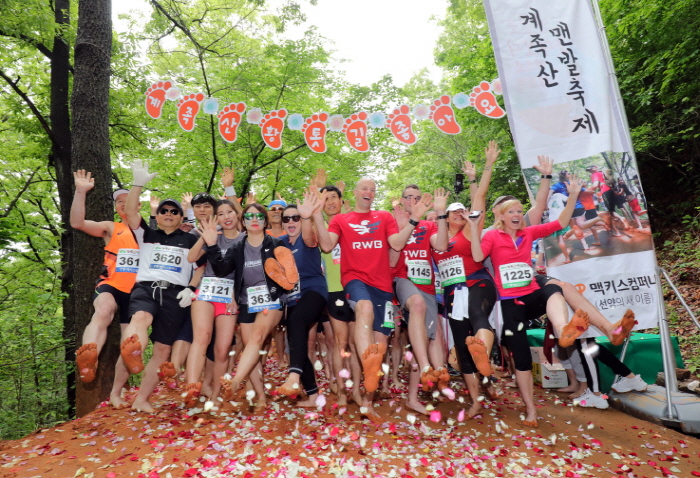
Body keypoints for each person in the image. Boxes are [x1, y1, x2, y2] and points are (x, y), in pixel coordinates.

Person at [312, 178, 433, 424]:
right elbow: (326, 245)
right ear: (355, 192)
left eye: (373, 189)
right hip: (355, 280)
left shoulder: (384, 217)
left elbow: (397, 245)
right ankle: (368, 360)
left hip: (383, 286)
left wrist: (413, 220)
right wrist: (315, 214)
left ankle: (368, 402)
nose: (369, 192)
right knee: (364, 309)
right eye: (365, 188)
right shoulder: (341, 220)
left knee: (382, 344)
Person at [473, 174, 590, 428]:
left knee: (552, 291)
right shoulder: (492, 236)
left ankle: (563, 332)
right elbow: (476, 255)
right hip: (509, 304)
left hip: (531, 295)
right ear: (501, 216)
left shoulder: (528, 232)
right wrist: (474, 229)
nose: (516, 214)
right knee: (522, 358)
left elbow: (560, 221)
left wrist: (572, 195)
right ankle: (530, 409)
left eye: (519, 210)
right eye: (511, 211)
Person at [119, 160, 201, 413]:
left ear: (181, 217)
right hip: (146, 288)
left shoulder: (190, 239)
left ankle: (142, 398)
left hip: (176, 295)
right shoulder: (147, 234)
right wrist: (138, 184)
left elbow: (202, 267)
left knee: (164, 350)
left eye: (174, 211)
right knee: (141, 317)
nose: (168, 213)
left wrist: (191, 288)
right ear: (158, 214)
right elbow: (131, 213)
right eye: (164, 210)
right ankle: (134, 353)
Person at [205, 203, 299, 411]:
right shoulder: (237, 247)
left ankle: (236, 380)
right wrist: (212, 245)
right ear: (244, 222)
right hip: (247, 302)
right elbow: (221, 270)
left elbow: (290, 277)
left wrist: (284, 279)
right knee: (251, 349)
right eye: (249, 216)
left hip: (272, 301)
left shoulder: (275, 244)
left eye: (258, 216)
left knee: (257, 338)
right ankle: (262, 398)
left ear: (265, 221)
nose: (254, 219)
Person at [70, 171, 138, 403]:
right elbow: (77, 223)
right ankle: (89, 357)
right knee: (104, 310)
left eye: (127, 201)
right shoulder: (112, 227)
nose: (123, 205)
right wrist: (80, 191)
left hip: (137, 291)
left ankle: (117, 394)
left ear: (136, 204)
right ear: (116, 207)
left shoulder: (149, 231)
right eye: (119, 202)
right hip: (111, 283)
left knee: (129, 344)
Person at [389, 185, 449, 415]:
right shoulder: (392, 222)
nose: (413, 201)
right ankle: (426, 366)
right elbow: (394, 253)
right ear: (402, 201)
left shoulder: (429, 225)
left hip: (427, 286)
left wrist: (441, 214)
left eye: (417, 197)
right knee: (416, 304)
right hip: (402, 280)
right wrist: (406, 224)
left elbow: (441, 245)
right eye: (409, 198)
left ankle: (414, 397)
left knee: (426, 337)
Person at [182, 199, 244, 406]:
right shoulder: (213, 236)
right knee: (202, 337)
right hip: (206, 291)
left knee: (222, 349)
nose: (226, 217)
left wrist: (236, 297)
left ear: (237, 215)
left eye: (230, 212)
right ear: (216, 217)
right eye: (221, 213)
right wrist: (204, 238)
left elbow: (245, 274)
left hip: (229, 297)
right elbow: (191, 258)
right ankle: (192, 386)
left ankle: (216, 393)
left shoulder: (245, 239)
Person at [275, 202, 328, 406]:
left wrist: (306, 217)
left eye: (295, 217)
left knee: (296, 322)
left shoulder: (309, 238)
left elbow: (307, 234)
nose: (291, 221)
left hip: (314, 291)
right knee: (297, 340)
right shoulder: (279, 243)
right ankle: (313, 395)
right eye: (286, 218)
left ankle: (293, 376)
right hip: (292, 296)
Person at [315, 183, 363, 407]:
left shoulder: (353, 223)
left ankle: (358, 390)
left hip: (357, 287)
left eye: (334, 197)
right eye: (325, 199)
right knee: (340, 343)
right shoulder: (320, 227)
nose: (330, 202)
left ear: (341, 200)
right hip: (333, 290)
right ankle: (342, 392)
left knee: (356, 343)